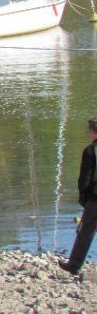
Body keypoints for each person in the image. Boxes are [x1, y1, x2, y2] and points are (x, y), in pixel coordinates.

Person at [60, 118, 97, 275]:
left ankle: (74, 265)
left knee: (86, 231)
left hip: (95, 198)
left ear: (94, 132)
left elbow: (84, 179)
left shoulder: (90, 151)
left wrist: (83, 197)